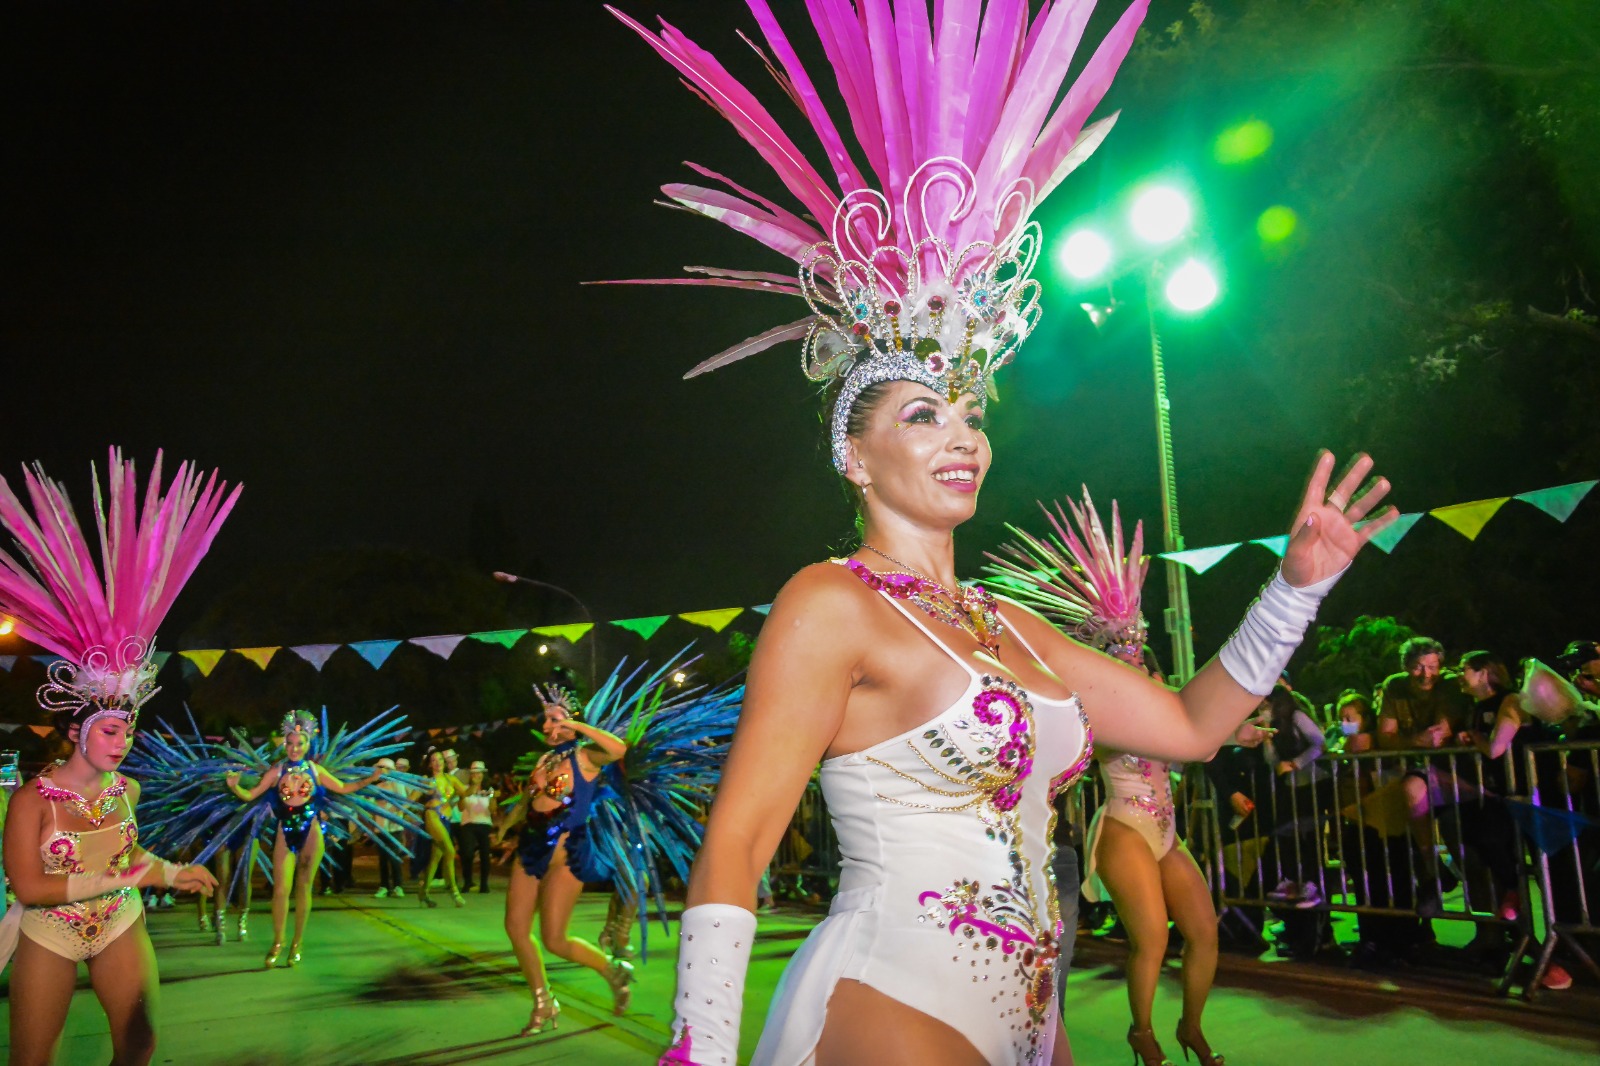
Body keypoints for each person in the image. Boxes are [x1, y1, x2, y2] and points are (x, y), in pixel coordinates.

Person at [611, 5, 1394, 1063]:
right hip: (890, 996)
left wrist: (1295, 587)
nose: (962, 436)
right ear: (853, 453)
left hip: (1035, 1018)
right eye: (922, 414)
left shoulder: (1013, 626)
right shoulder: (828, 603)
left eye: (972, 412)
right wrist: (698, 1047)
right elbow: (741, 839)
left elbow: (1191, 726)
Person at [0, 449, 233, 1065]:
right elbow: (27, 884)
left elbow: (129, 854)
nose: (122, 740)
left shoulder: (126, 790)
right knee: (31, 1058)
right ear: (77, 730)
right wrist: (133, 876)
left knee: (139, 1042)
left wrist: (167, 870)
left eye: (127, 729)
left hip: (120, 922)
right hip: (50, 933)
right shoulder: (31, 800)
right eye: (109, 729)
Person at [495, 684, 633, 1033]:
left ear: (570, 722)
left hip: (567, 854)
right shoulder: (545, 760)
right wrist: (506, 829)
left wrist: (578, 727)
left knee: (555, 939)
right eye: (545, 720)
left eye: (554, 719)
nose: (546, 726)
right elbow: (530, 802)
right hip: (531, 847)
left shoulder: (585, 757)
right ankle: (544, 1003)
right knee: (515, 928)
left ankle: (611, 971)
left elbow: (618, 749)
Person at [224, 710, 388, 967]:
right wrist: (235, 787)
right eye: (289, 743)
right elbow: (252, 794)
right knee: (280, 890)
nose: (294, 748)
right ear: (284, 744)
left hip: (311, 831)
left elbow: (344, 788)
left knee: (303, 887)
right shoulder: (277, 771)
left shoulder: (315, 769)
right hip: (284, 831)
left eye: (299, 743)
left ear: (308, 744)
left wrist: (371, 779)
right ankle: (278, 942)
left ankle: (297, 944)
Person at [413, 748, 466, 908]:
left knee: (436, 859)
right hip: (431, 816)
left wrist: (476, 784)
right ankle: (454, 891)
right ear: (429, 764)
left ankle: (424, 892)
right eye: (434, 760)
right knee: (450, 851)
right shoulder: (426, 780)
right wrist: (400, 808)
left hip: (446, 819)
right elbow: (412, 798)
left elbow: (465, 794)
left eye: (440, 760)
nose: (438, 763)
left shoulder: (450, 779)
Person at [458, 760, 497, 894]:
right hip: (468, 823)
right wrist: (471, 789)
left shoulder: (489, 790)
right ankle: (468, 881)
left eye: (479, 773)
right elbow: (460, 807)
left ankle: (484, 884)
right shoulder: (464, 788)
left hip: (484, 823)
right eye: (474, 773)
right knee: (467, 853)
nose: (477, 776)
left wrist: (492, 797)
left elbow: (493, 810)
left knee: (485, 855)